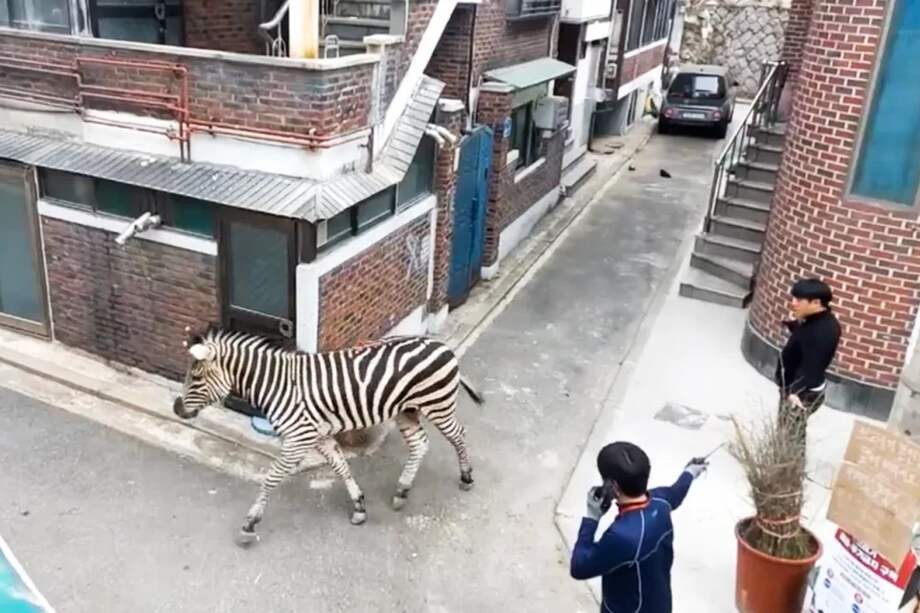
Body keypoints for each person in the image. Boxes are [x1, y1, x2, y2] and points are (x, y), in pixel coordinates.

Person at [570, 441, 708, 613]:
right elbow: (676, 493)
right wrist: (690, 472)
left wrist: (591, 518)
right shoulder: (660, 501)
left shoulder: (622, 536)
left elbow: (579, 567)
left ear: (614, 486)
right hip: (660, 604)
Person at [775, 278, 841, 445]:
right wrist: (795, 327)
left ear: (816, 302)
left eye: (799, 300)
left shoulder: (823, 332)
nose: (793, 303)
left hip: (803, 392)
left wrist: (795, 392)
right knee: (787, 431)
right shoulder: (816, 320)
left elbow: (813, 366)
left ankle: (788, 461)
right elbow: (807, 337)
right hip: (796, 387)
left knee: (789, 437)